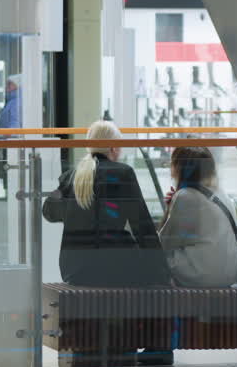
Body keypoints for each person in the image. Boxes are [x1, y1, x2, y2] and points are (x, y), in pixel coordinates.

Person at [42, 120, 169, 286]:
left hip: (73, 269)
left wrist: (74, 210)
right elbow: (142, 226)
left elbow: (48, 212)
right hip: (114, 265)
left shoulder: (72, 175)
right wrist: (162, 271)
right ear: (113, 147)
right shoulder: (123, 173)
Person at [158, 147, 237, 287]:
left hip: (202, 275)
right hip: (229, 274)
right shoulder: (221, 194)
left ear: (179, 168)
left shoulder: (186, 196)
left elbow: (164, 242)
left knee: (151, 254)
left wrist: (170, 208)